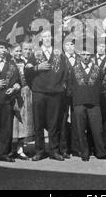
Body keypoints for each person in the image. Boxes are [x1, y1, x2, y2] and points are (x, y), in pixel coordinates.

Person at [25, 29, 69, 161]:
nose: (48, 38)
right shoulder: (35, 53)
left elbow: (65, 72)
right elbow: (27, 71)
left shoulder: (58, 53)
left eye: (50, 36)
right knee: (38, 123)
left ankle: (54, 151)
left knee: (53, 123)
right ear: (41, 39)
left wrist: (62, 86)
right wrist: (37, 68)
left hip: (55, 93)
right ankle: (39, 151)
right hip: (39, 92)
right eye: (45, 37)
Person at [68, 50, 106, 161]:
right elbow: (70, 86)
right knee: (80, 129)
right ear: (79, 56)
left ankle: (100, 152)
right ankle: (84, 153)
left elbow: (102, 86)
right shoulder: (74, 69)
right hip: (79, 103)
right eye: (83, 55)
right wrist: (77, 97)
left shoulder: (98, 69)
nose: (85, 57)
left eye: (88, 55)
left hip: (94, 102)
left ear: (91, 56)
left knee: (97, 129)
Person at [10, 43, 34, 160]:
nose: (19, 53)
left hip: (25, 93)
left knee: (22, 122)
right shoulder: (9, 63)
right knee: (13, 122)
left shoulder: (25, 62)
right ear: (11, 52)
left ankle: (20, 149)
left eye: (20, 51)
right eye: (17, 51)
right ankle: (11, 149)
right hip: (13, 95)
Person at [59, 38, 80, 158]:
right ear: (63, 46)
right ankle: (64, 148)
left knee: (77, 120)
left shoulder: (79, 58)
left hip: (77, 95)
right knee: (63, 121)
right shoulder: (60, 59)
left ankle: (76, 147)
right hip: (64, 94)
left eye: (72, 44)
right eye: (67, 44)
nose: (70, 47)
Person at [94, 41, 106, 154]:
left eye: (103, 46)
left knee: (105, 120)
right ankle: (93, 146)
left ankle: (105, 146)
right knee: (93, 120)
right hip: (92, 94)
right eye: (99, 46)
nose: (101, 48)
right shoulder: (90, 59)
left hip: (105, 94)